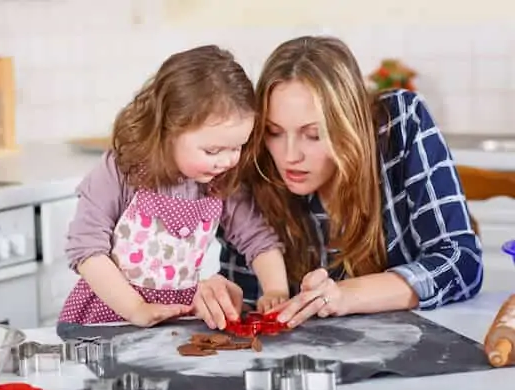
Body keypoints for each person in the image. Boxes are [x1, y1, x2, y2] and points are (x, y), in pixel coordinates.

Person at [212, 35, 483, 329]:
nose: (290, 156)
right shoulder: (252, 159)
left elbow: (462, 263)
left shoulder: (400, 124)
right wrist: (216, 297)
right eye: (274, 132)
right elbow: (252, 301)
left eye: (313, 134)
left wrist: (344, 296)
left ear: (349, 125)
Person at [56, 45, 289, 332]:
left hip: (175, 320)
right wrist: (136, 308)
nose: (227, 161)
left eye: (237, 147)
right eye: (213, 150)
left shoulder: (219, 181)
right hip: (109, 318)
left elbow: (258, 240)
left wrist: (276, 289)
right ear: (167, 130)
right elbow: (86, 249)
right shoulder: (122, 169)